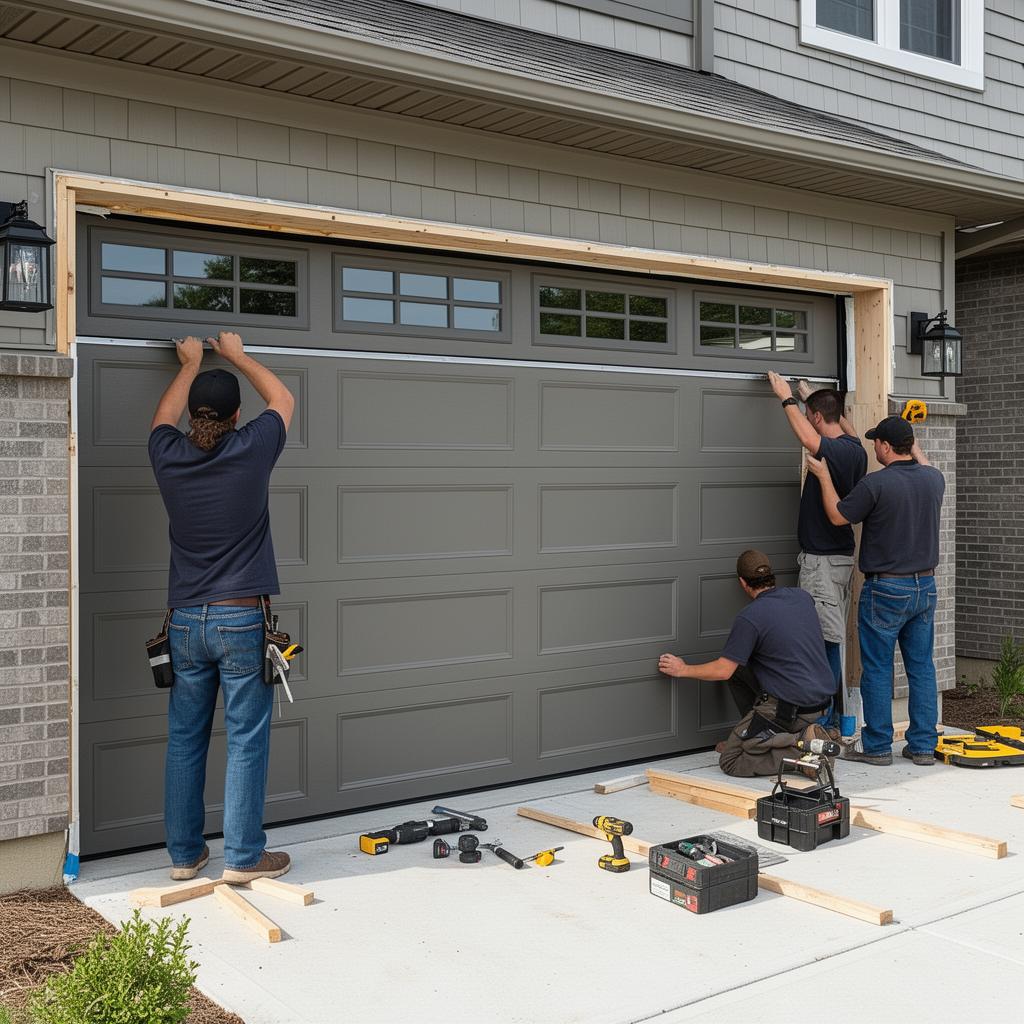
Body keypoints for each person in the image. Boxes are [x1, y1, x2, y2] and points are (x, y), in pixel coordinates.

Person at [149, 331, 295, 882]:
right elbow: (283, 400)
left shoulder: (168, 455)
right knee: (244, 738)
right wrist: (235, 355)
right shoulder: (251, 448)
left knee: (184, 739)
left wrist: (187, 365)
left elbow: (161, 421)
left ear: (194, 413)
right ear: (237, 416)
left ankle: (185, 856)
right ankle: (243, 858)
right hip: (239, 618)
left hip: (184, 622)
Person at [805, 415, 944, 767]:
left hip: (886, 590)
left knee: (879, 668)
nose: (874, 448)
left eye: (876, 443)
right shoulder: (933, 480)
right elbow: (924, 462)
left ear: (884, 446)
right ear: (910, 445)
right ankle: (923, 747)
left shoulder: (875, 484)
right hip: (924, 587)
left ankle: (879, 746)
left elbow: (838, 516)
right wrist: (913, 443)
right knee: (922, 668)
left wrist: (823, 476)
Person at [658, 550, 835, 777]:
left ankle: (802, 749)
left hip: (789, 709)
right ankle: (756, 735)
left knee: (731, 761)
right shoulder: (802, 597)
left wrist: (682, 669)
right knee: (739, 669)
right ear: (772, 575)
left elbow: (722, 670)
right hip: (820, 703)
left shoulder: (750, 616)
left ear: (742, 582)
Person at [767, 372, 866, 712]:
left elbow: (811, 439)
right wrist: (810, 397)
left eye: (813, 415)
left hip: (822, 563)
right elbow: (842, 426)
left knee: (825, 640)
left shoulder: (834, 452)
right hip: (839, 559)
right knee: (829, 635)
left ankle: (828, 717)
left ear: (819, 418)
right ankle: (832, 713)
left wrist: (786, 398)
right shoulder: (856, 449)